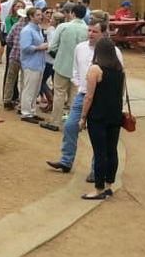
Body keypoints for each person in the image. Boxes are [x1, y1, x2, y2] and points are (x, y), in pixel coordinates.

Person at [47, 21, 123, 175]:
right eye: (89, 30)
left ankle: (96, 170)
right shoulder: (80, 48)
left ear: (103, 33)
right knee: (70, 126)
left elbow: (120, 75)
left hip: (101, 98)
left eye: (94, 31)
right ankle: (66, 161)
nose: (90, 34)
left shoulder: (114, 51)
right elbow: (74, 69)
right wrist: (80, 84)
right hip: (83, 94)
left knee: (97, 134)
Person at [79, 38, 125, 201]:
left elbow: (89, 96)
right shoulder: (120, 69)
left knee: (99, 152)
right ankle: (108, 185)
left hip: (98, 115)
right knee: (112, 151)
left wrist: (83, 117)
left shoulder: (95, 69)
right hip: (115, 114)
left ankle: (98, 189)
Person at [41, 4, 89, 131]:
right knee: (75, 96)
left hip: (62, 64)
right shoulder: (87, 29)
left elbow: (52, 47)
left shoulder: (63, 27)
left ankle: (55, 122)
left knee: (59, 94)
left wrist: (59, 55)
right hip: (79, 68)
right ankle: (73, 123)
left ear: (72, 13)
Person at [18, 8, 48, 123]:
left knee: (35, 90)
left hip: (39, 63)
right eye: (38, 15)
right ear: (31, 17)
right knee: (29, 89)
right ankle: (26, 113)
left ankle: (32, 111)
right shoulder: (27, 30)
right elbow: (25, 47)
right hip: (30, 64)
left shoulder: (38, 29)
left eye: (41, 15)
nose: (41, 17)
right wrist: (39, 47)